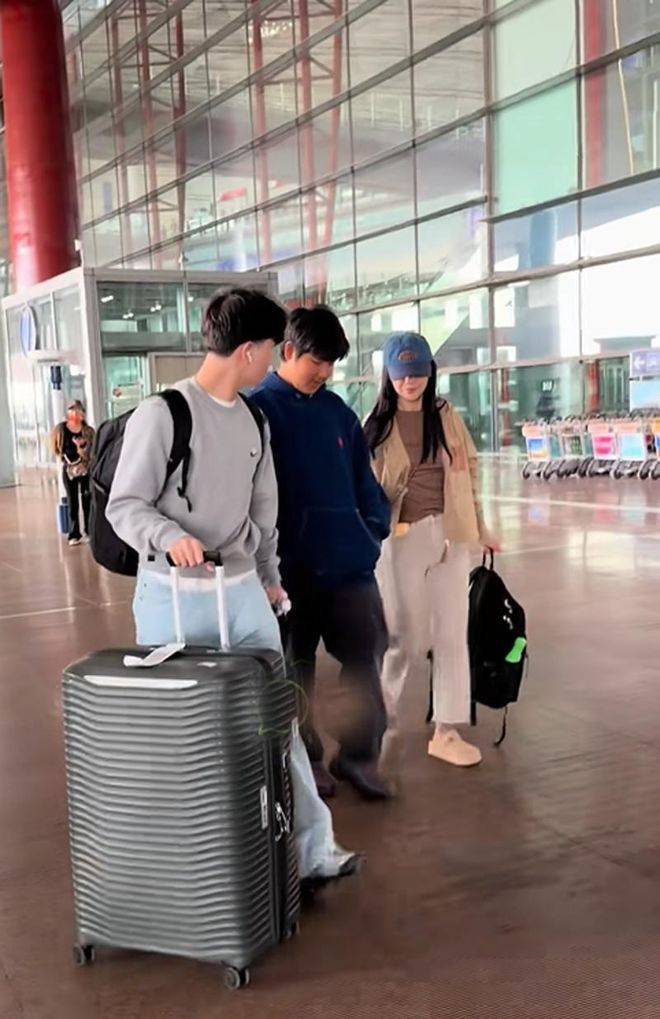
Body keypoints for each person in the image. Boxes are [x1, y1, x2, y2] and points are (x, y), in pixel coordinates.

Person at [105, 288, 357, 884]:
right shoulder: (164, 413)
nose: (272, 361)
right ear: (248, 350)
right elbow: (125, 505)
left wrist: (269, 581)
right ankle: (196, 864)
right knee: (185, 734)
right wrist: (169, 535)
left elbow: (263, 514)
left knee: (276, 720)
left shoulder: (254, 420)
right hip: (173, 597)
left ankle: (313, 848)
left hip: (242, 593)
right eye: (270, 349)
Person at [251, 306, 392, 802]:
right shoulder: (257, 412)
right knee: (296, 668)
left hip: (349, 567)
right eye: (318, 361)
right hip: (288, 572)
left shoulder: (339, 414)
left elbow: (364, 483)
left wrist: (371, 532)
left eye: (332, 363)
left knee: (365, 661)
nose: (326, 372)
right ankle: (305, 758)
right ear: (288, 351)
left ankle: (359, 756)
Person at [364, 332, 498, 783]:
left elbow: (468, 470)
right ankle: (381, 722)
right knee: (403, 636)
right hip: (401, 539)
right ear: (389, 375)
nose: (410, 382)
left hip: (450, 535)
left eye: (418, 373)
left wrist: (480, 527)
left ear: (429, 372)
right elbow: (363, 488)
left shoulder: (445, 414)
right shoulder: (375, 425)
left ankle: (447, 729)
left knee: (452, 634)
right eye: (402, 375)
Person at [51, 400, 95, 546]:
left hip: (85, 469)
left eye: (78, 410)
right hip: (69, 471)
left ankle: (89, 531)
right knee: (72, 502)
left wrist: (81, 449)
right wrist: (68, 459)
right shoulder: (61, 429)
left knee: (87, 500)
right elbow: (57, 448)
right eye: (72, 409)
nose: (75, 413)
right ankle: (74, 534)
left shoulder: (88, 431)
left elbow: (93, 451)